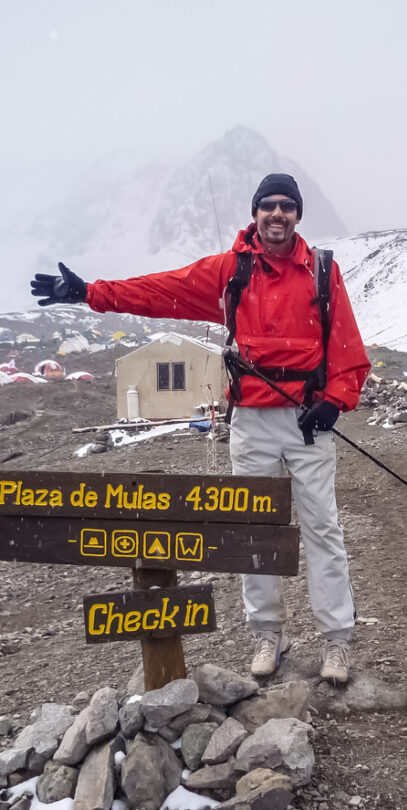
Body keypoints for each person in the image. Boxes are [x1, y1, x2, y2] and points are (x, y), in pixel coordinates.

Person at [30, 173, 370, 684]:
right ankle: (268, 634)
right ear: (256, 213)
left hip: (308, 422)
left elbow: (346, 345)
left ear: (298, 214)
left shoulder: (323, 271)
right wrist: (89, 292)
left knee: (323, 528)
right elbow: (159, 290)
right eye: (268, 205)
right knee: (253, 528)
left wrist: (333, 402)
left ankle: (336, 641)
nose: (277, 214)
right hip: (251, 421)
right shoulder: (231, 271)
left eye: (287, 206)